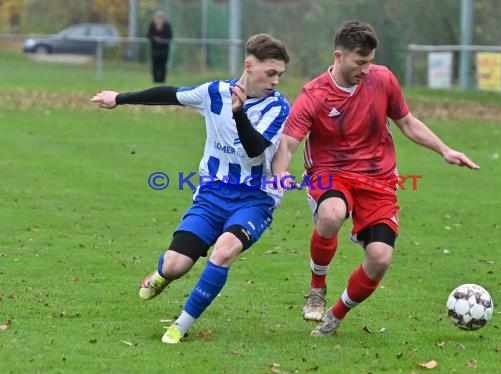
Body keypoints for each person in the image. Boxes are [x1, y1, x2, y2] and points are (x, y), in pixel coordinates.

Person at [272, 20, 479, 336]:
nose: (367, 69)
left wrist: (445, 150)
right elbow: (288, 141)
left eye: (370, 62)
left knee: (380, 258)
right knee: (331, 214)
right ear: (338, 56)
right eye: (360, 62)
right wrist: (280, 172)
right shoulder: (314, 94)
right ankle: (317, 287)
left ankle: (335, 315)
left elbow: (407, 123)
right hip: (331, 173)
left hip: (378, 178)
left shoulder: (383, 80)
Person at [91, 34, 290, 344]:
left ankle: (181, 324)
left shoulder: (277, 108)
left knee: (225, 250)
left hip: (254, 199)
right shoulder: (214, 92)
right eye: (271, 73)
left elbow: (254, 150)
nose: (276, 81)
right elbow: (170, 94)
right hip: (212, 196)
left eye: (280, 75)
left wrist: (238, 114)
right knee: (174, 265)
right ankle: (160, 275)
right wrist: (120, 98)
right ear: (249, 65)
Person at [146, 11, 173, 83]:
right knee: (155, 65)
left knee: (163, 65)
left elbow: (170, 36)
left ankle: (162, 80)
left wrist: (162, 40)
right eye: (158, 18)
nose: (159, 20)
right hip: (155, 50)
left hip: (164, 50)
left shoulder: (167, 26)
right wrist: (155, 39)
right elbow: (148, 35)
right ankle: (155, 80)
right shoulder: (152, 25)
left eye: (161, 18)